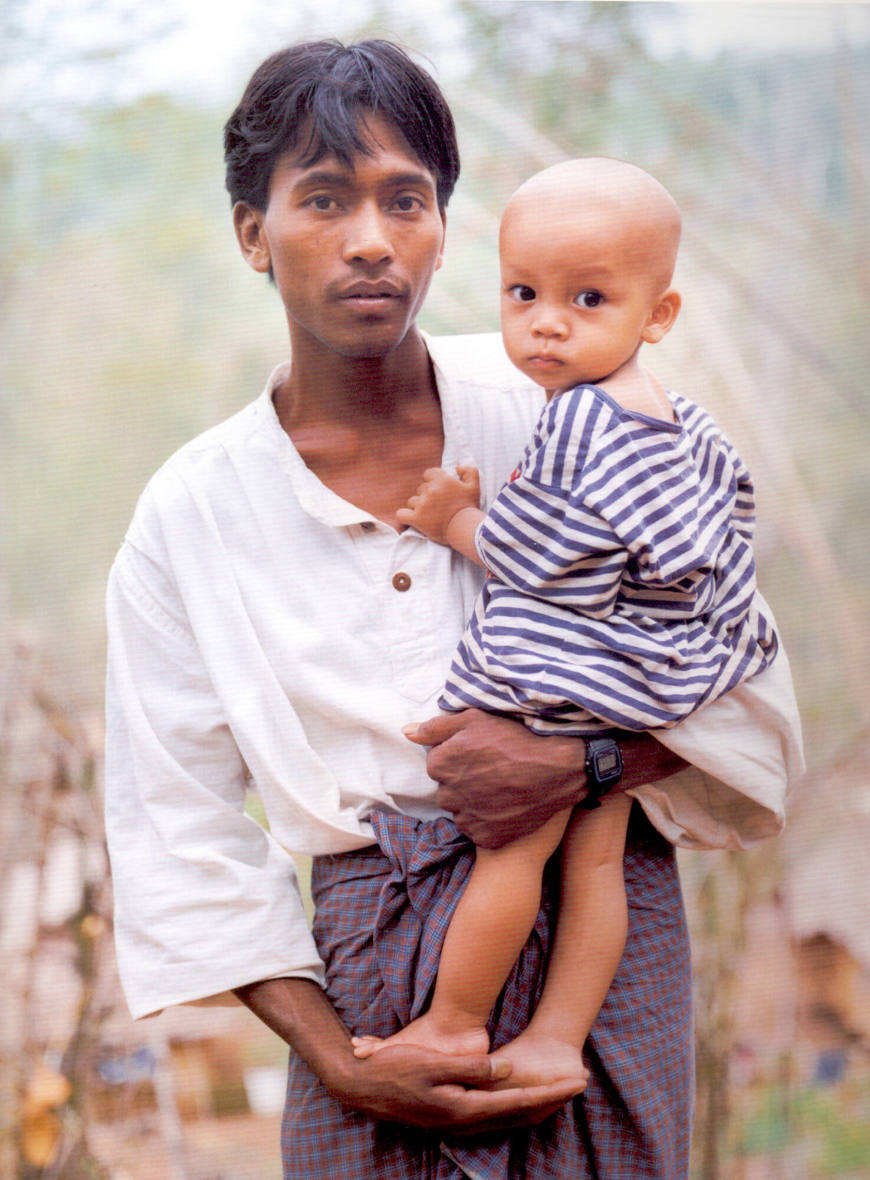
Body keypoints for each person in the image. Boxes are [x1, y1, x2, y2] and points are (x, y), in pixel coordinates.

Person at [103, 39, 804, 1180]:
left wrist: (584, 766)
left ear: (443, 230)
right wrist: (338, 1057)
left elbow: (743, 680)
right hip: (366, 979)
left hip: (600, 936)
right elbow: (175, 825)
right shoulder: (193, 513)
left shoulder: (579, 416)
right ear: (251, 234)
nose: (371, 238)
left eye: (405, 199)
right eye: (323, 199)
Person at [350, 158, 779, 1090]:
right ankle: (553, 1037)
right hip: (651, 677)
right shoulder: (687, 422)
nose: (547, 321)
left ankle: (455, 1024)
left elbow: (550, 563)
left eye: (588, 298)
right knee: (596, 861)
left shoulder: (583, 417)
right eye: (523, 292)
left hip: (576, 675)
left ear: (656, 316)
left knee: (517, 848)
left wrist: (452, 519)